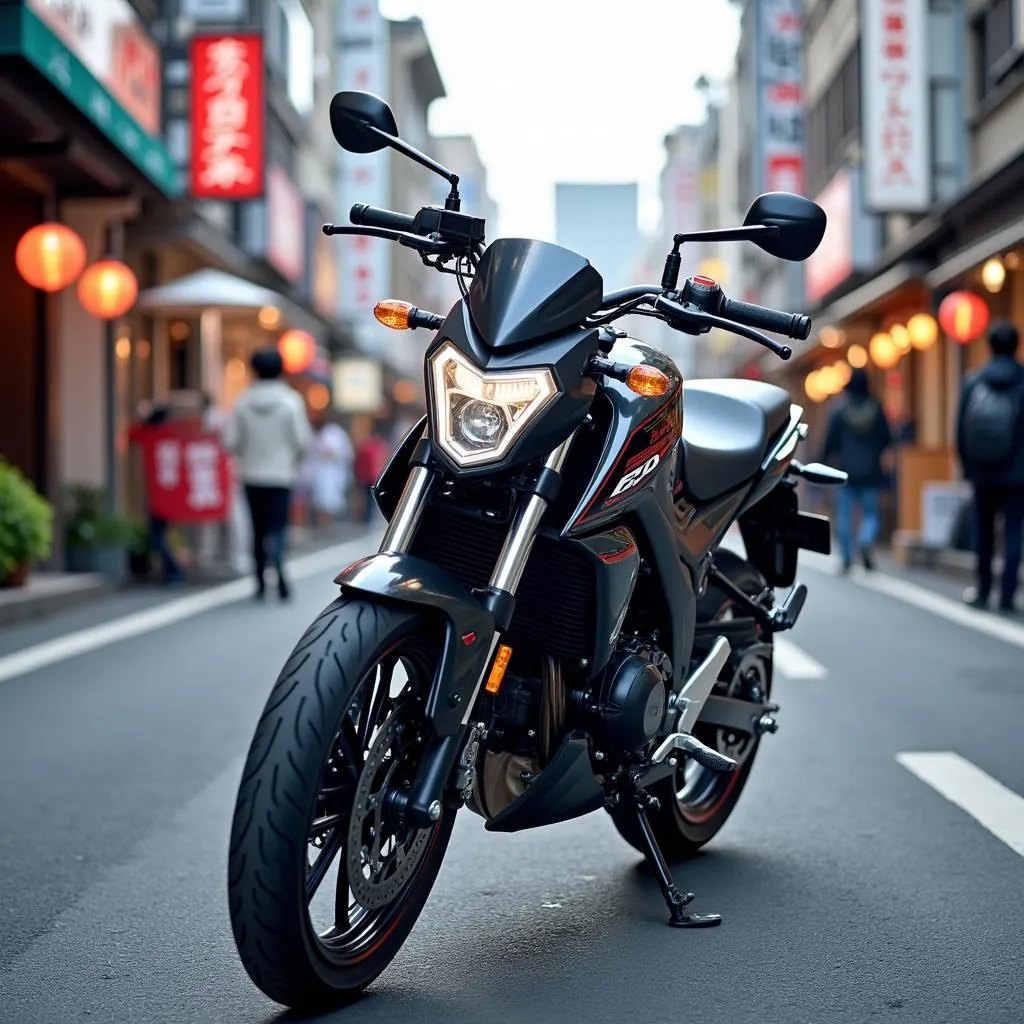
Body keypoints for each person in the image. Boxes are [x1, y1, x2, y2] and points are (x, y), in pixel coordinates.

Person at [222, 348, 312, 600]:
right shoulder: (291, 401)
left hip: (251, 474)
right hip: (281, 475)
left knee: (257, 528)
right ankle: (280, 570)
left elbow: (230, 441)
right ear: (281, 370)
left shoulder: (242, 401)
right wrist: (291, 459)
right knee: (279, 527)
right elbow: (302, 441)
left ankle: (260, 581)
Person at [955, 320, 1024, 613]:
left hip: (982, 471)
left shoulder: (974, 381)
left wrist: (967, 467)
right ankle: (1007, 596)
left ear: (990, 346)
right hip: (1018, 472)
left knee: (983, 532)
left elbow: (960, 429)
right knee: (1013, 532)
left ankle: (983, 591)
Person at [821, 366, 893, 572]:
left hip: (845, 470)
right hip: (871, 470)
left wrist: (824, 462)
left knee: (844, 515)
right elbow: (886, 438)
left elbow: (830, 442)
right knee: (871, 513)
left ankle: (846, 556)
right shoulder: (876, 408)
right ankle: (865, 539)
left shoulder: (839, 410)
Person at [128, 401, 185, 586]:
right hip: (174, 496)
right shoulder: (176, 435)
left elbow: (132, 433)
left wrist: (142, 418)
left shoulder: (151, 434)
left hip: (158, 497)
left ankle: (173, 569)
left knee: (157, 536)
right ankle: (172, 569)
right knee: (159, 536)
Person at [303, 414, 354, 529]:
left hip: (331, 472)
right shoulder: (314, 434)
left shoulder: (336, 433)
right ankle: (320, 522)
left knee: (329, 498)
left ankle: (325, 523)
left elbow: (344, 452)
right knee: (319, 498)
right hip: (319, 472)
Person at [354, 427, 390, 524]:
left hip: (366, 475)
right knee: (369, 498)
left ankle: (366, 517)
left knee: (366, 497)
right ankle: (367, 517)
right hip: (373, 475)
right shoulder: (378, 447)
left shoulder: (365, 446)